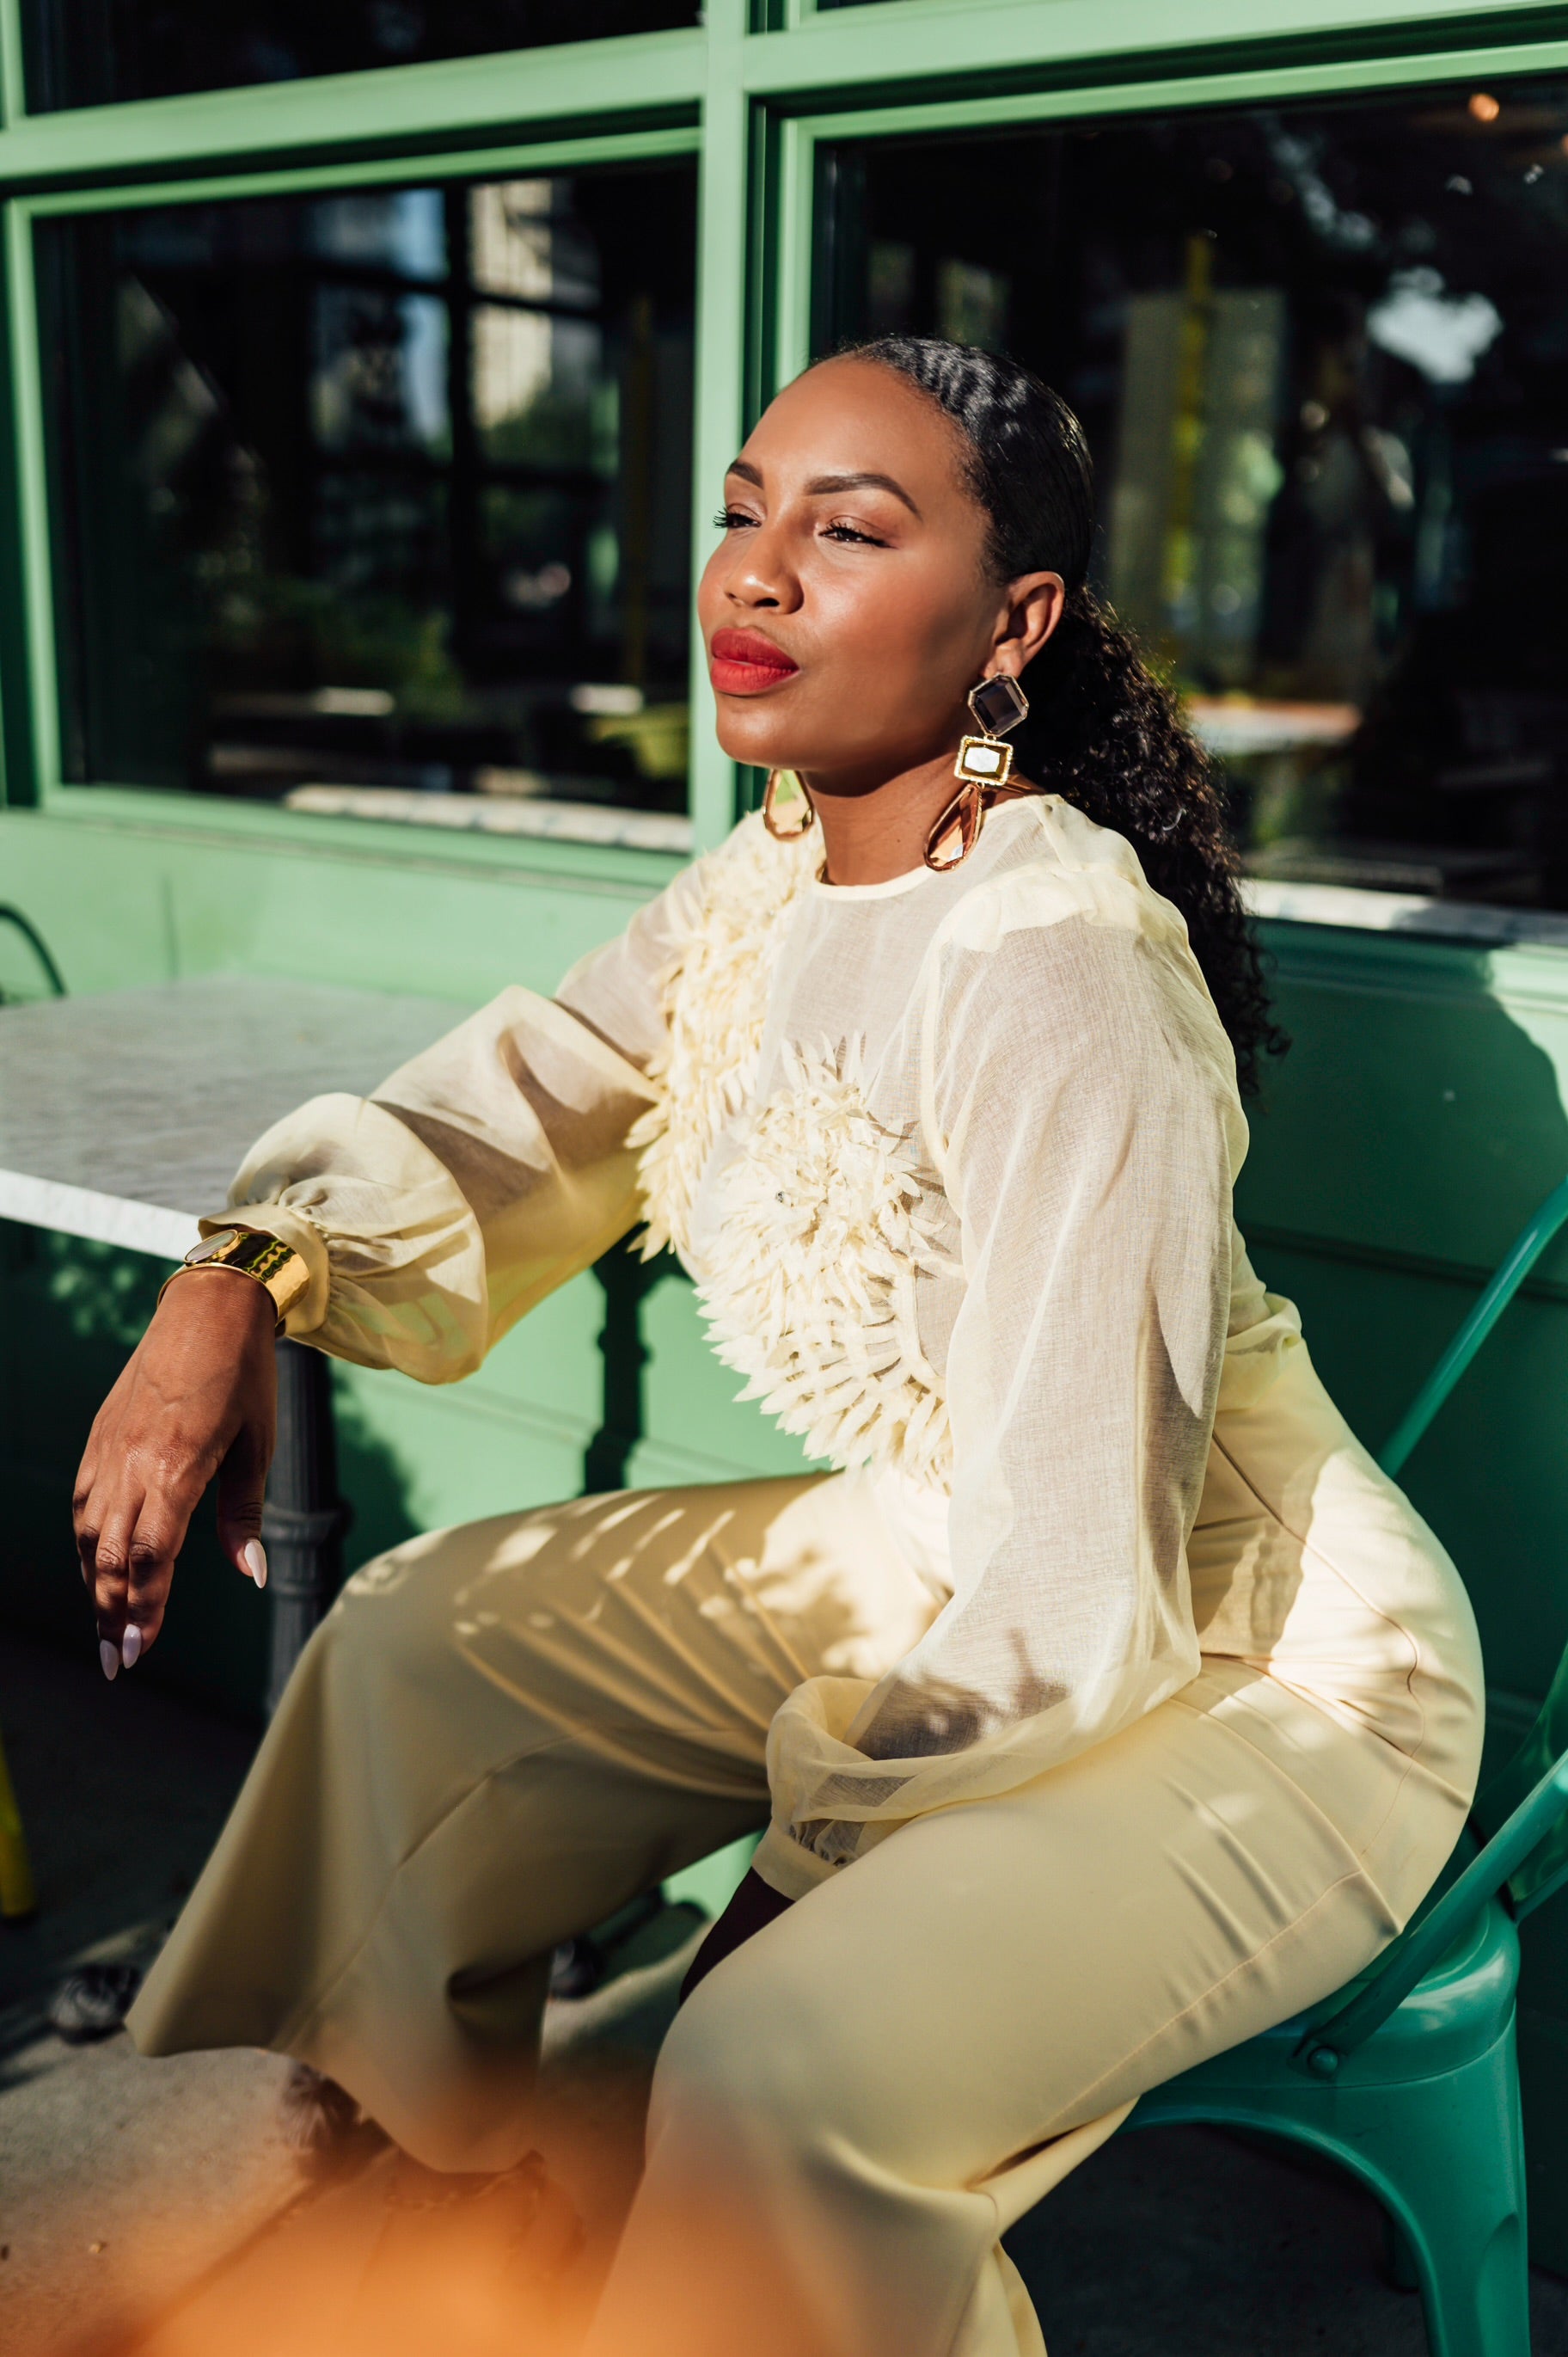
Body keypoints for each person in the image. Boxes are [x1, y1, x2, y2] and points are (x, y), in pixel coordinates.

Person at [73, 338, 1484, 2357]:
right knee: (415, 1646)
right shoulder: (775, 871)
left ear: (1014, 624)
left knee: (769, 2068)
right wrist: (234, 1278)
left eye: (850, 530)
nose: (753, 571)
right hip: (957, 1537)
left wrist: (797, 1882)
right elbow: (534, 1100)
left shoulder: (1060, 967)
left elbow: (1077, 1573)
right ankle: (428, 2202)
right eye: (744, 511)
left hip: (1260, 1661)